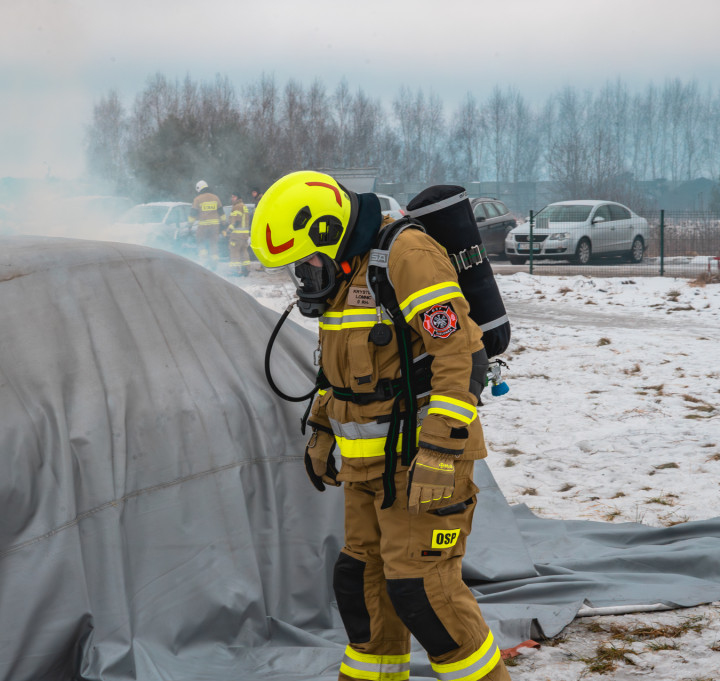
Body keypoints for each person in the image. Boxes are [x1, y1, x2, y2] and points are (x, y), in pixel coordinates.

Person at [250, 171, 510, 681]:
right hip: (367, 467)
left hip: (422, 465)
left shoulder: (408, 258)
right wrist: (323, 432)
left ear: (329, 231)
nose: (302, 277)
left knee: (423, 592)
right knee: (362, 582)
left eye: (304, 262)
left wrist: (439, 453)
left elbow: (460, 356)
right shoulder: (344, 278)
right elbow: (338, 373)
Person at [189, 180, 226, 268]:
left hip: (203, 226)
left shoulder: (197, 199)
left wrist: (189, 226)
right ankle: (214, 263)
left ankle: (204, 262)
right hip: (215, 226)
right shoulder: (216, 198)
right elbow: (221, 212)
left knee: (201, 242)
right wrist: (224, 224)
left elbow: (193, 214)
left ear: (199, 189)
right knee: (213, 243)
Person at [226, 192, 250, 276]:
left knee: (234, 251)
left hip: (237, 234)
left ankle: (234, 271)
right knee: (244, 251)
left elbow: (236, 220)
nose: (232, 199)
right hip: (244, 234)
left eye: (233, 197)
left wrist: (229, 230)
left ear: (236, 197)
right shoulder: (244, 206)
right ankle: (246, 269)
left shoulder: (237, 206)